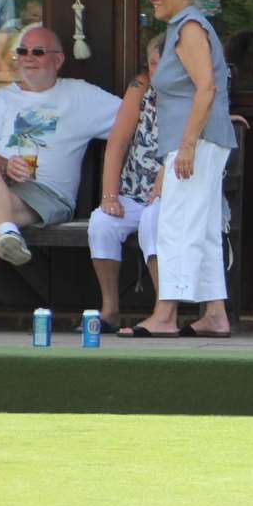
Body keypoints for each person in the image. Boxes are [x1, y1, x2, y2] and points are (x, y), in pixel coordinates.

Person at [0, 26, 120, 332]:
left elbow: (137, 116)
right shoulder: (0, 98)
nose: (28, 58)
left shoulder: (80, 95)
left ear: (58, 60)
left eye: (37, 52)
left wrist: (204, 119)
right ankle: (8, 232)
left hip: (46, 195)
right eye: (22, 51)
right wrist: (4, 164)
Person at [120, 0, 237, 339]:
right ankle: (215, 315)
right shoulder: (181, 27)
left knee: (176, 225)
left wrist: (187, 145)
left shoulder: (189, 28)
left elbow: (207, 88)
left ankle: (165, 315)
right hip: (198, 140)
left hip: (196, 141)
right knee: (200, 228)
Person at [88, 36, 165, 328]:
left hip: (171, 195)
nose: (158, 69)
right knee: (102, 223)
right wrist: (110, 196)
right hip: (134, 191)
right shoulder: (140, 88)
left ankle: (162, 310)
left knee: (153, 221)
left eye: (165, 62)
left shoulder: (189, 94)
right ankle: (110, 309)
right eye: (153, 62)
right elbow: (117, 143)